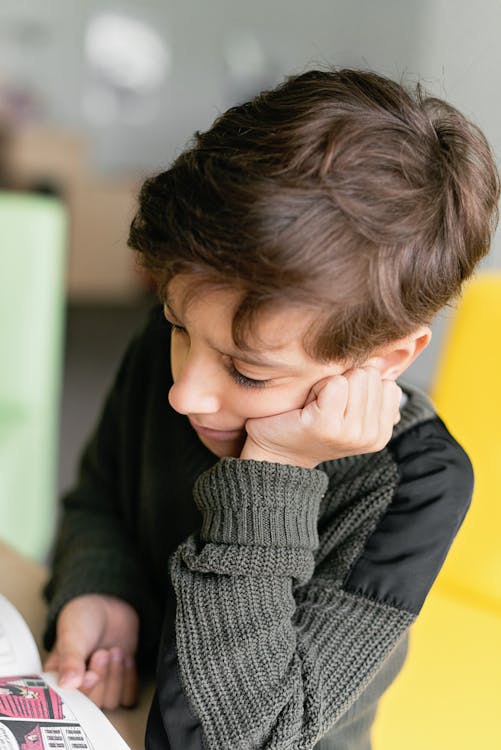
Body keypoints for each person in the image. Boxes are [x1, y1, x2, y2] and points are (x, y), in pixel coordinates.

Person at [41, 68, 499, 749]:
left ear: (385, 359)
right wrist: (100, 587)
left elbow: (239, 739)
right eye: (175, 325)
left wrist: (276, 470)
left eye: (247, 371)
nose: (184, 392)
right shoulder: (183, 344)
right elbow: (102, 498)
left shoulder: (416, 487)